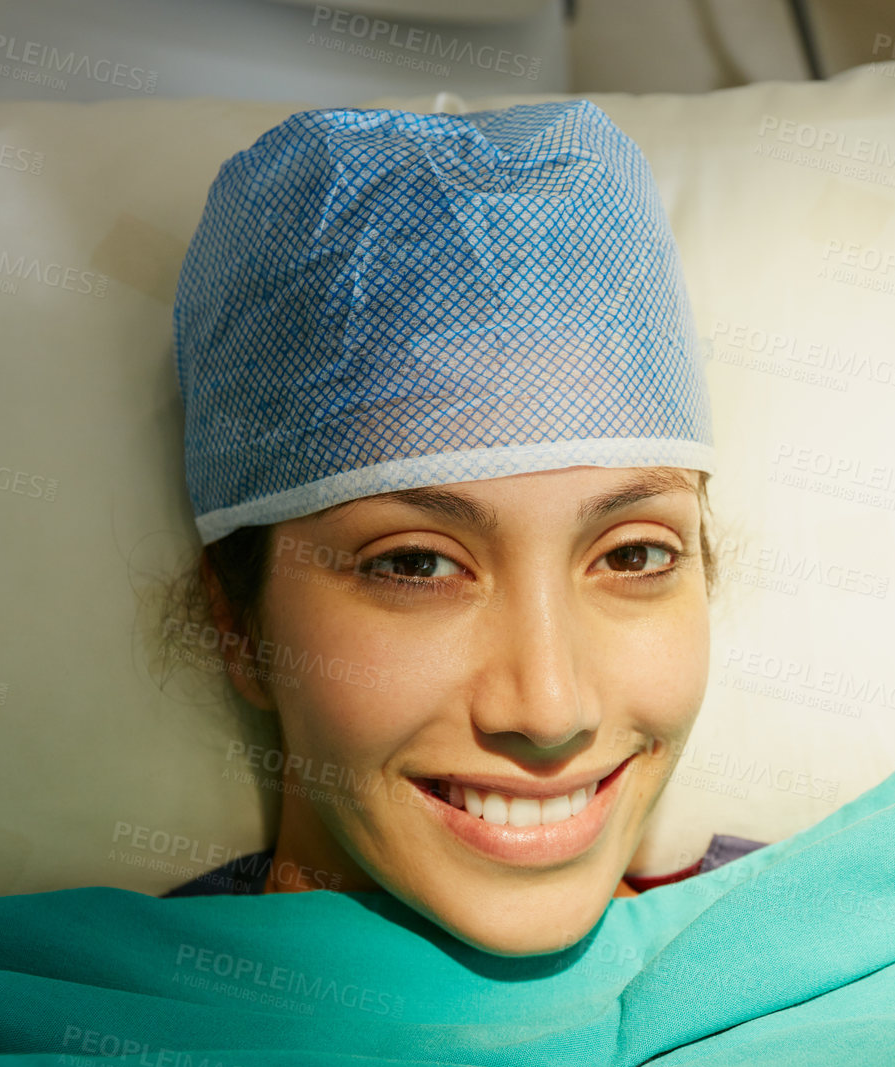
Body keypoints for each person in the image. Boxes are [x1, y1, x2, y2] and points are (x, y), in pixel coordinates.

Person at [157, 99, 760, 958]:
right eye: (415, 565)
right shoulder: (46, 1046)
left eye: (633, 553)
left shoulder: (883, 945)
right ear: (239, 628)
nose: (550, 709)